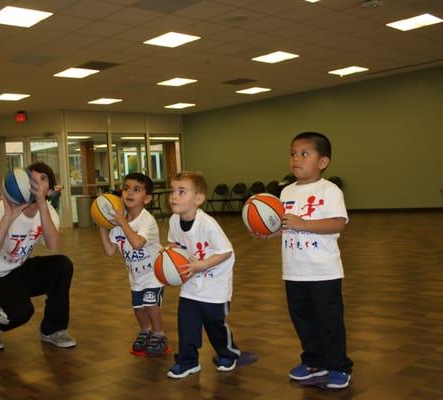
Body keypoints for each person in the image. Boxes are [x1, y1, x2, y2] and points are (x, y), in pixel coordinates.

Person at [274, 131, 353, 389]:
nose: (296, 159)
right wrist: (267, 230)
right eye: (293, 154)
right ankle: (313, 360)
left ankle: (339, 365)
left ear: (323, 162)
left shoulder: (329, 190)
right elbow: (284, 225)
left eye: (304, 154)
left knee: (329, 321)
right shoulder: (285, 192)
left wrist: (302, 224)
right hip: (294, 271)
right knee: (303, 320)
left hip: (323, 272)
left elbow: (337, 223)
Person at [165, 172, 258, 379]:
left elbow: (225, 251)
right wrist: (169, 257)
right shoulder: (173, 220)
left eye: (181, 192)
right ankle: (188, 361)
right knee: (186, 325)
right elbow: (175, 245)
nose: (174, 196)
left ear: (198, 199)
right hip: (190, 285)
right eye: (172, 191)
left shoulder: (207, 224)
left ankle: (228, 354)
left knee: (215, 324)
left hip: (215, 285)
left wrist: (201, 265)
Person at [0, 162, 76, 351]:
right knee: (22, 312)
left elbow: (53, 245)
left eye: (43, 179)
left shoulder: (47, 212)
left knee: (61, 265)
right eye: (31, 178)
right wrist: (9, 216)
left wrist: (41, 205)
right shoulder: (0, 210)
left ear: (48, 191)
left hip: (16, 271)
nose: (36, 183)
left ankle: (53, 330)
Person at [98, 173, 168, 356]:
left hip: (154, 274)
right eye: (126, 188)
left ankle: (159, 333)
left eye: (136, 190)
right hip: (135, 277)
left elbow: (137, 243)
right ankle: (145, 331)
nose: (129, 192)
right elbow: (110, 251)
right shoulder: (117, 225)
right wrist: (102, 227)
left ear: (147, 198)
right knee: (138, 309)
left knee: (150, 305)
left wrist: (121, 221)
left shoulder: (147, 221)